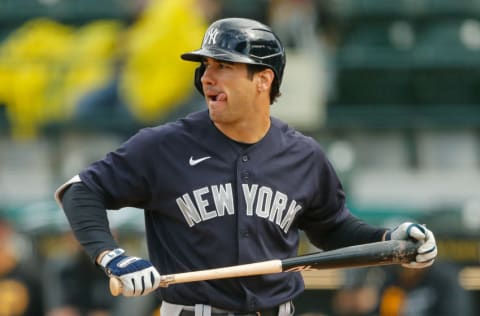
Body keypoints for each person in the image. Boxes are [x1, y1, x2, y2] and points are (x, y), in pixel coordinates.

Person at [54, 18, 438, 316]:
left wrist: (392, 240)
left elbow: (333, 228)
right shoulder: (163, 145)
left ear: (263, 79)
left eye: (223, 65)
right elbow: (80, 190)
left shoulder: (303, 155)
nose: (207, 76)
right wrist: (112, 256)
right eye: (205, 66)